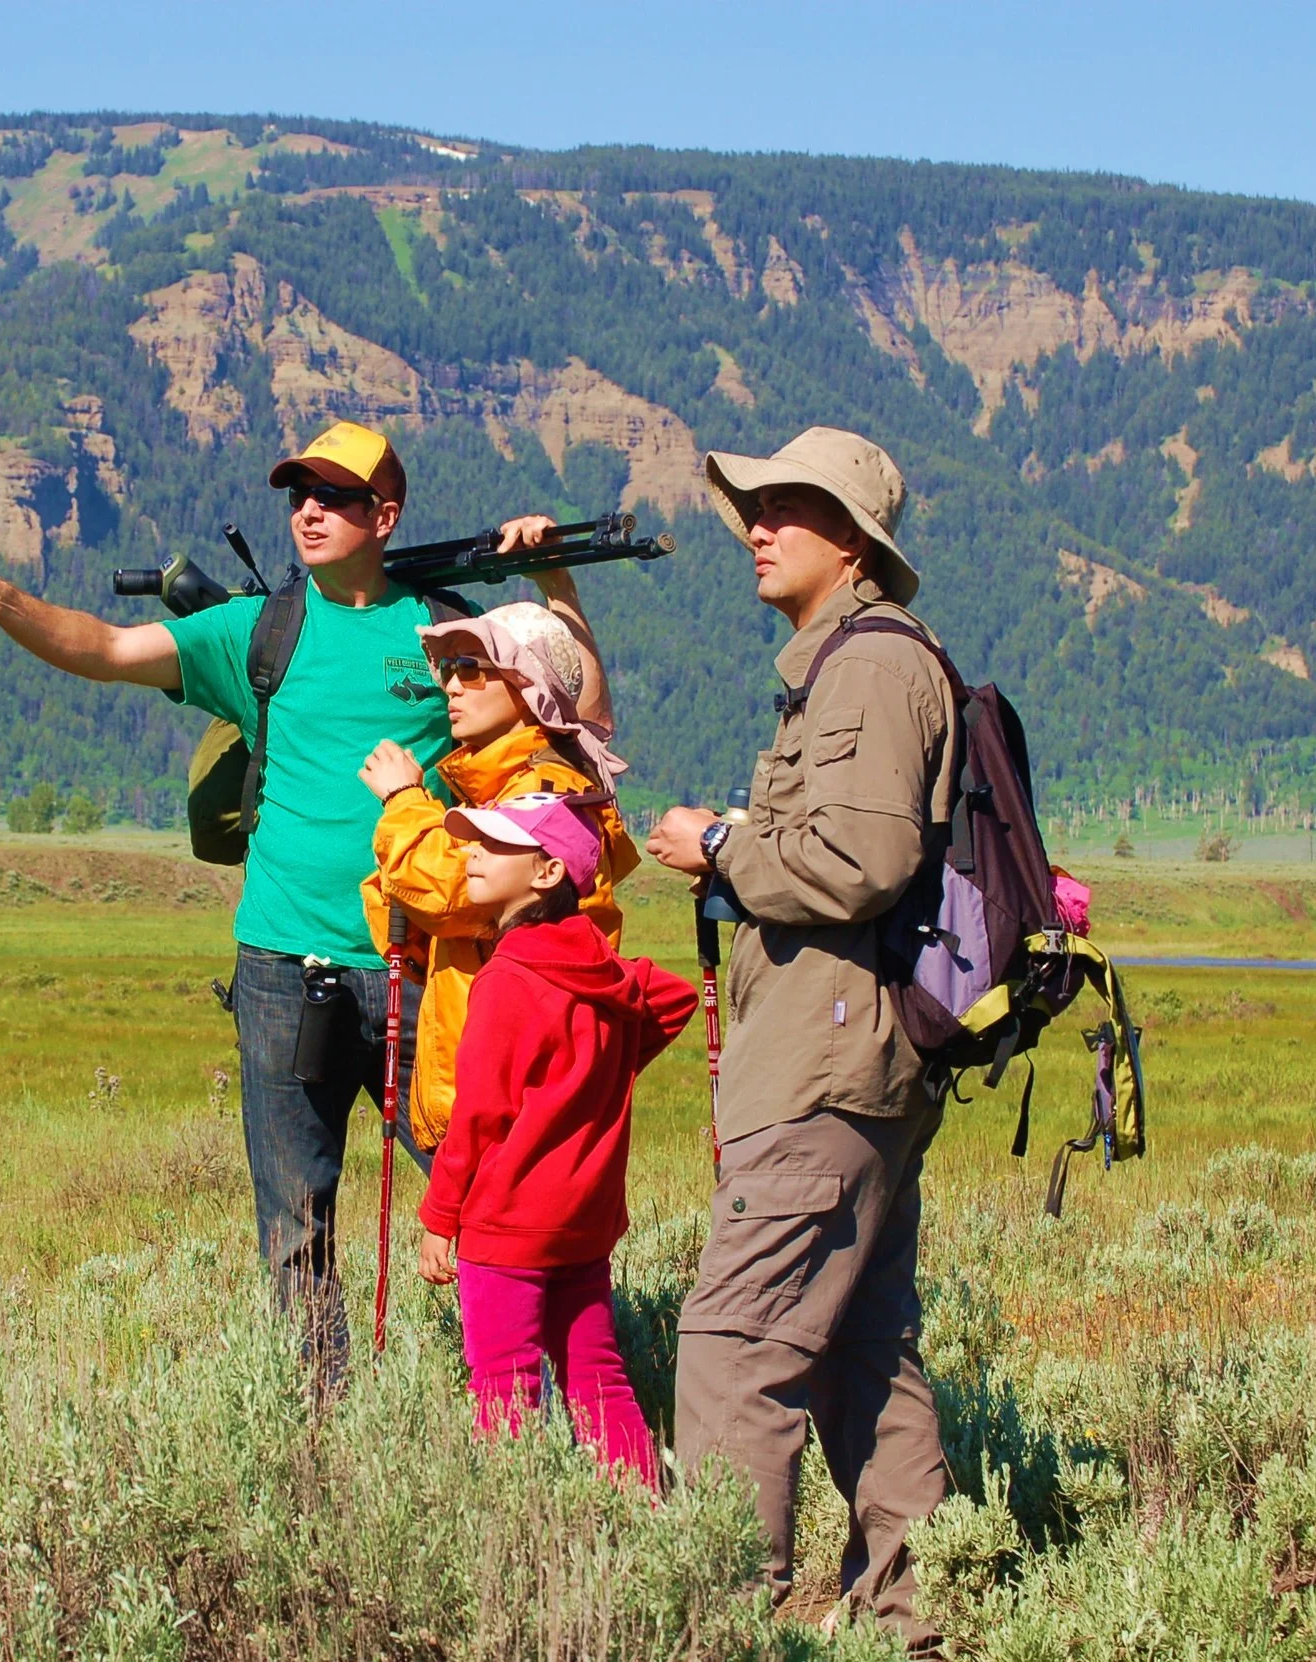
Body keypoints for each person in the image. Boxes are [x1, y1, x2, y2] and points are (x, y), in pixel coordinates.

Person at [0, 419, 607, 1383]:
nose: (308, 511)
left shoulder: (446, 631)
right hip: (282, 966)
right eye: (297, 495)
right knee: (294, 1228)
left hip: (430, 966)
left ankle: (510, 1395)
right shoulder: (258, 631)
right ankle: (315, 1429)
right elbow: (107, 647)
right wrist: (1, 599)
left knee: (485, 1193)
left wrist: (556, 582)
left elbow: (578, 725)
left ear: (384, 516)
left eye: (334, 497)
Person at [644, 426, 957, 1651]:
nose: (759, 525)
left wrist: (719, 851)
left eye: (789, 506)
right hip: (851, 1066)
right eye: (757, 504)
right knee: (860, 1359)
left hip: (825, 1071)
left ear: (854, 541)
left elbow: (865, 861)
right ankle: (914, 1619)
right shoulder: (846, 664)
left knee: (731, 1354)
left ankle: (725, 1621)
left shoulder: (873, 667)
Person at [415, 794, 695, 1486]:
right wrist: (600, 1061)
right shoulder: (598, 969)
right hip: (582, 1224)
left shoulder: (509, 977)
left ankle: (519, 1544)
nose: (471, 854)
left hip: (506, 1224)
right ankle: (648, 1519)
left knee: (504, 1388)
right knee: (597, 1377)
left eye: (493, 845)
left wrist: (438, 1218)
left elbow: (478, 1117)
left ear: (545, 873)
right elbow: (674, 996)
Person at [356, 601, 641, 1166]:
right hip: (493, 1082)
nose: (451, 687)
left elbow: (455, 895)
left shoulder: (543, 792)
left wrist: (403, 802)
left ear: (528, 686)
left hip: (508, 1094)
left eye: (471, 667)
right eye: (448, 670)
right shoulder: (499, 789)